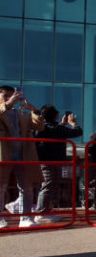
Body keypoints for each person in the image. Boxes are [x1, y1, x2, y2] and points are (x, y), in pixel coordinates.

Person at [0, 86, 42, 228]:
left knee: (27, 187)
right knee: (1, 187)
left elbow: (39, 125)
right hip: (3, 154)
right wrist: (9, 102)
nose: (10, 98)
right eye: (5, 95)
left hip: (23, 155)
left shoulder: (21, 113)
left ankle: (26, 218)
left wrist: (32, 108)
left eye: (12, 95)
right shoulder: (2, 110)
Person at [33, 106, 82, 220]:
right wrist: (73, 123)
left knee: (50, 185)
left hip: (44, 160)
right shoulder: (55, 128)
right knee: (48, 185)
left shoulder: (42, 127)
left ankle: (45, 210)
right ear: (55, 116)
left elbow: (55, 131)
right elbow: (78, 132)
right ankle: (41, 212)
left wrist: (62, 124)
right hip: (51, 161)